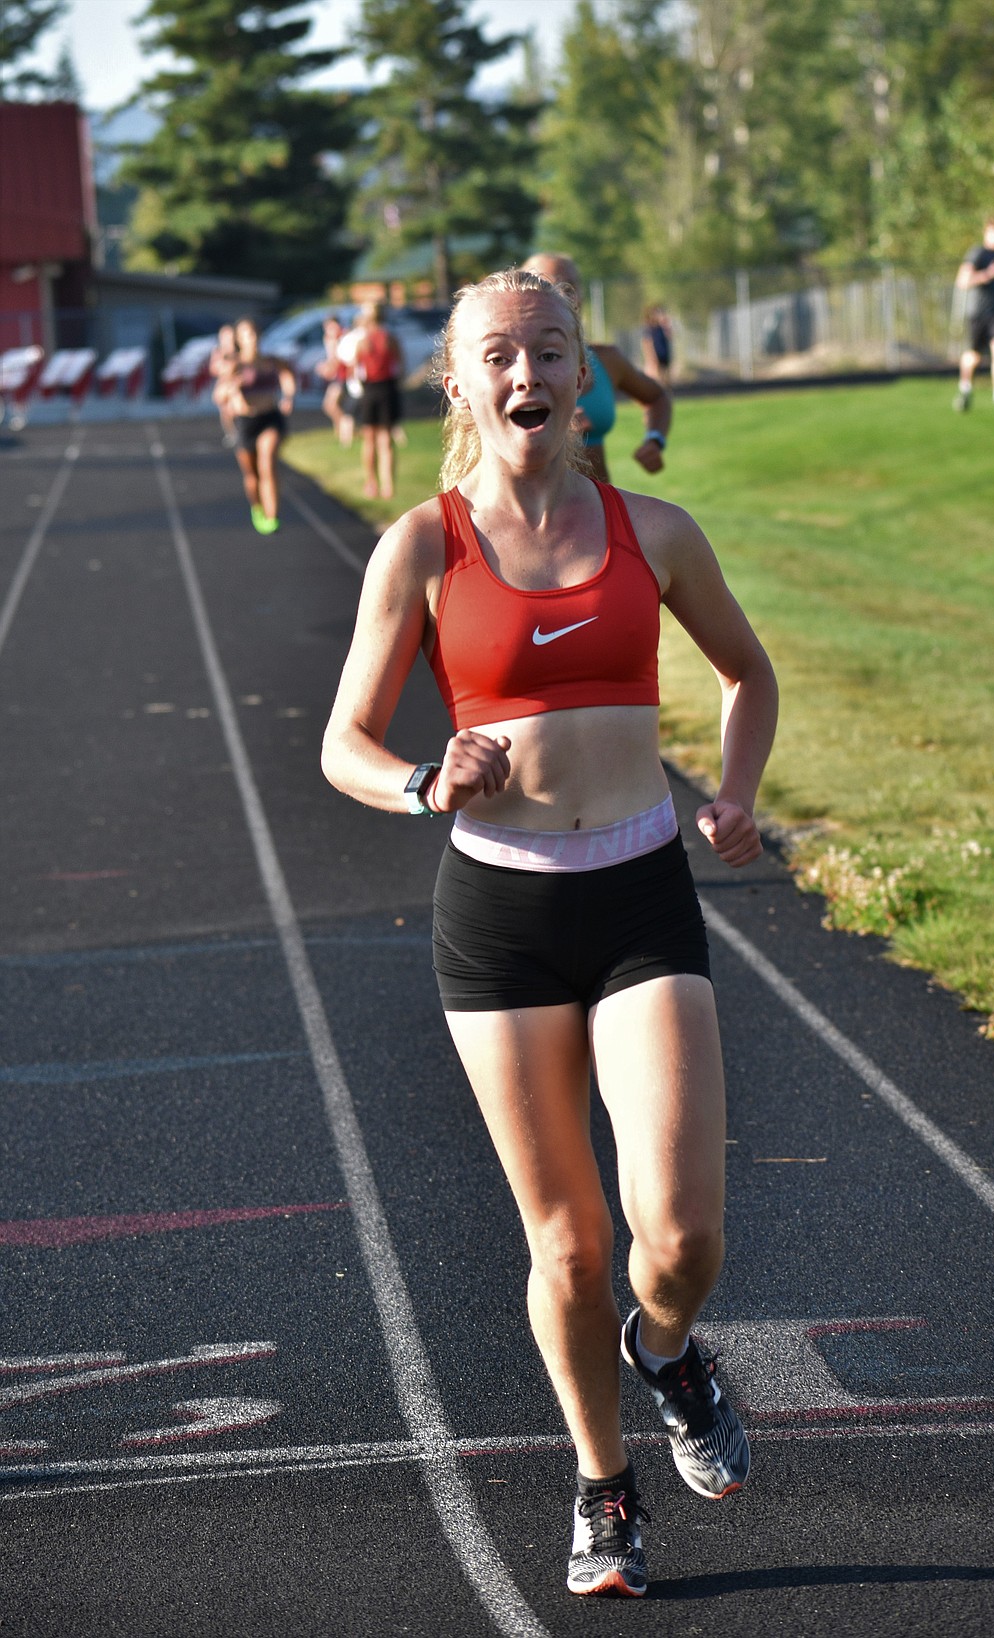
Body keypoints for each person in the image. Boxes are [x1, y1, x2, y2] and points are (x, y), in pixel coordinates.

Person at [321, 267, 777, 1599]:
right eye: (498, 357)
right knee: (568, 1243)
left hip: (638, 888)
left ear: (585, 372)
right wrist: (418, 778)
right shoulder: (420, 545)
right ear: (457, 384)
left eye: (550, 351)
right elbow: (345, 742)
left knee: (680, 1235)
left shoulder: (660, 531)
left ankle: (669, 1346)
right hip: (501, 915)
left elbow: (746, 673)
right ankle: (603, 1485)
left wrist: (735, 794)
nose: (528, 374)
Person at [523, 253, 671, 484]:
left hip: (603, 514)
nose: (565, 294)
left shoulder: (606, 359)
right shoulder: (512, 371)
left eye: (572, 285)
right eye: (549, 285)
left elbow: (657, 397)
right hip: (535, 518)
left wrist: (655, 439)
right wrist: (553, 430)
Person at [222, 317, 297, 534]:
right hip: (246, 423)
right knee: (252, 475)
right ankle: (257, 508)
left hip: (270, 418)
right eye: (247, 334)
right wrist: (232, 390)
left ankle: (273, 516)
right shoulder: (236, 365)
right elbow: (219, 394)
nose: (253, 338)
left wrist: (288, 396)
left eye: (255, 333)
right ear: (240, 339)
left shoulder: (271, 361)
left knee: (268, 462)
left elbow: (288, 374)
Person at [954, 215, 994, 411]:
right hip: (978, 313)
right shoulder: (977, 254)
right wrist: (987, 275)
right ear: (987, 233)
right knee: (974, 356)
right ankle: (965, 387)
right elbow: (963, 282)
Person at [352, 300, 405, 500]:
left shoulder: (362, 341)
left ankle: (371, 482)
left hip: (369, 390)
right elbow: (401, 366)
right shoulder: (390, 338)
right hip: (387, 388)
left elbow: (356, 370)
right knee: (386, 441)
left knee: (369, 440)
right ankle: (388, 486)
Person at [316, 314, 355, 447]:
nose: (329, 330)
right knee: (332, 405)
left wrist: (327, 368)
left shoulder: (344, 336)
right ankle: (342, 431)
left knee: (331, 405)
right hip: (338, 376)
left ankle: (346, 432)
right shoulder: (330, 339)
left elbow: (338, 360)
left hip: (345, 376)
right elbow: (332, 360)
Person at [209, 323, 240, 446]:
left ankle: (243, 431)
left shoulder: (239, 351)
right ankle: (232, 433)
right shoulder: (218, 352)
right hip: (224, 385)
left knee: (236, 409)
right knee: (225, 411)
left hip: (237, 384)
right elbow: (214, 369)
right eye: (224, 336)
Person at [641, 304, 674, 384]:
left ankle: (666, 392)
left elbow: (669, 337)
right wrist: (651, 356)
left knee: (666, 377)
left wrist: (666, 324)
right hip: (655, 355)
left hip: (664, 354)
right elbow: (647, 344)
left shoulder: (662, 328)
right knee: (656, 379)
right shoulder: (649, 329)